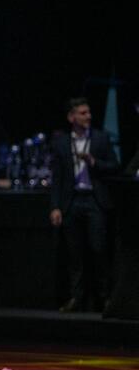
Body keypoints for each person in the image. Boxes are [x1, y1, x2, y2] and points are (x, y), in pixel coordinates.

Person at [50, 98, 120, 312]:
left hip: (94, 200)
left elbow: (116, 166)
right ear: (72, 117)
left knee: (98, 249)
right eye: (82, 113)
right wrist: (55, 206)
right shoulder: (61, 142)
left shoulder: (100, 138)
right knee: (74, 253)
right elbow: (57, 177)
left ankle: (105, 296)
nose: (87, 116)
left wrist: (93, 162)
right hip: (71, 201)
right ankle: (76, 297)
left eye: (88, 112)